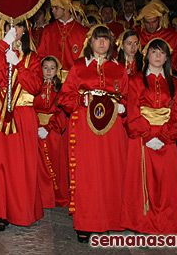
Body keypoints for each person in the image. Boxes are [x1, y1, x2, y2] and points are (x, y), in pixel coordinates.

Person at [59, 25, 128, 242]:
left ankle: (112, 220)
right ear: (90, 42)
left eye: (105, 39)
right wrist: (81, 100)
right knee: (87, 174)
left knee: (111, 171)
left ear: (111, 43)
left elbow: (126, 95)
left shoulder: (119, 68)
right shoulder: (79, 67)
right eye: (97, 39)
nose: (101, 43)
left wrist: (123, 105)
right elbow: (64, 97)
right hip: (84, 128)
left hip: (113, 130)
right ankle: (86, 222)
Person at [0, 20, 43, 232]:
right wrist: (3, 45)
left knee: (22, 165)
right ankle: (0, 212)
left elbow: (34, 87)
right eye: (8, 28)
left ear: (25, 30)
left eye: (16, 28)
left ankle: (22, 210)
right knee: (0, 165)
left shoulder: (32, 58)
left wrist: (16, 63)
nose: (12, 31)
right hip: (0, 114)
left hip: (23, 116)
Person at [121, 38, 177, 235]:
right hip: (142, 138)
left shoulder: (175, 84)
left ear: (167, 57)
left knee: (166, 184)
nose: (158, 56)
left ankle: (166, 223)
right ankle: (142, 223)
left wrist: (165, 136)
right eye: (154, 52)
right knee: (142, 183)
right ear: (147, 55)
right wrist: (148, 134)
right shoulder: (134, 80)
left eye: (162, 53)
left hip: (166, 140)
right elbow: (132, 110)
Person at [34, 56, 69, 209]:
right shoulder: (35, 87)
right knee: (37, 165)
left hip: (52, 132)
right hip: (35, 130)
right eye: (45, 67)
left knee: (54, 164)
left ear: (57, 70)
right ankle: (40, 197)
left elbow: (62, 112)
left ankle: (56, 197)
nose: (48, 71)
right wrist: (34, 126)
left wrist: (48, 128)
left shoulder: (61, 88)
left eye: (52, 68)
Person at [135, 0, 177, 74]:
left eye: (154, 22)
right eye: (147, 22)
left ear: (160, 19)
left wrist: (168, 59)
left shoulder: (172, 34)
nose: (151, 26)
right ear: (143, 21)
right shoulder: (138, 34)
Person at [38, 0, 87, 82]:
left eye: (56, 8)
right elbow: (42, 54)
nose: (53, 11)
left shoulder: (82, 32)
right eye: (52, 8)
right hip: (52, 79)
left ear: (66, 8)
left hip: (74, 79)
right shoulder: (48, 30)